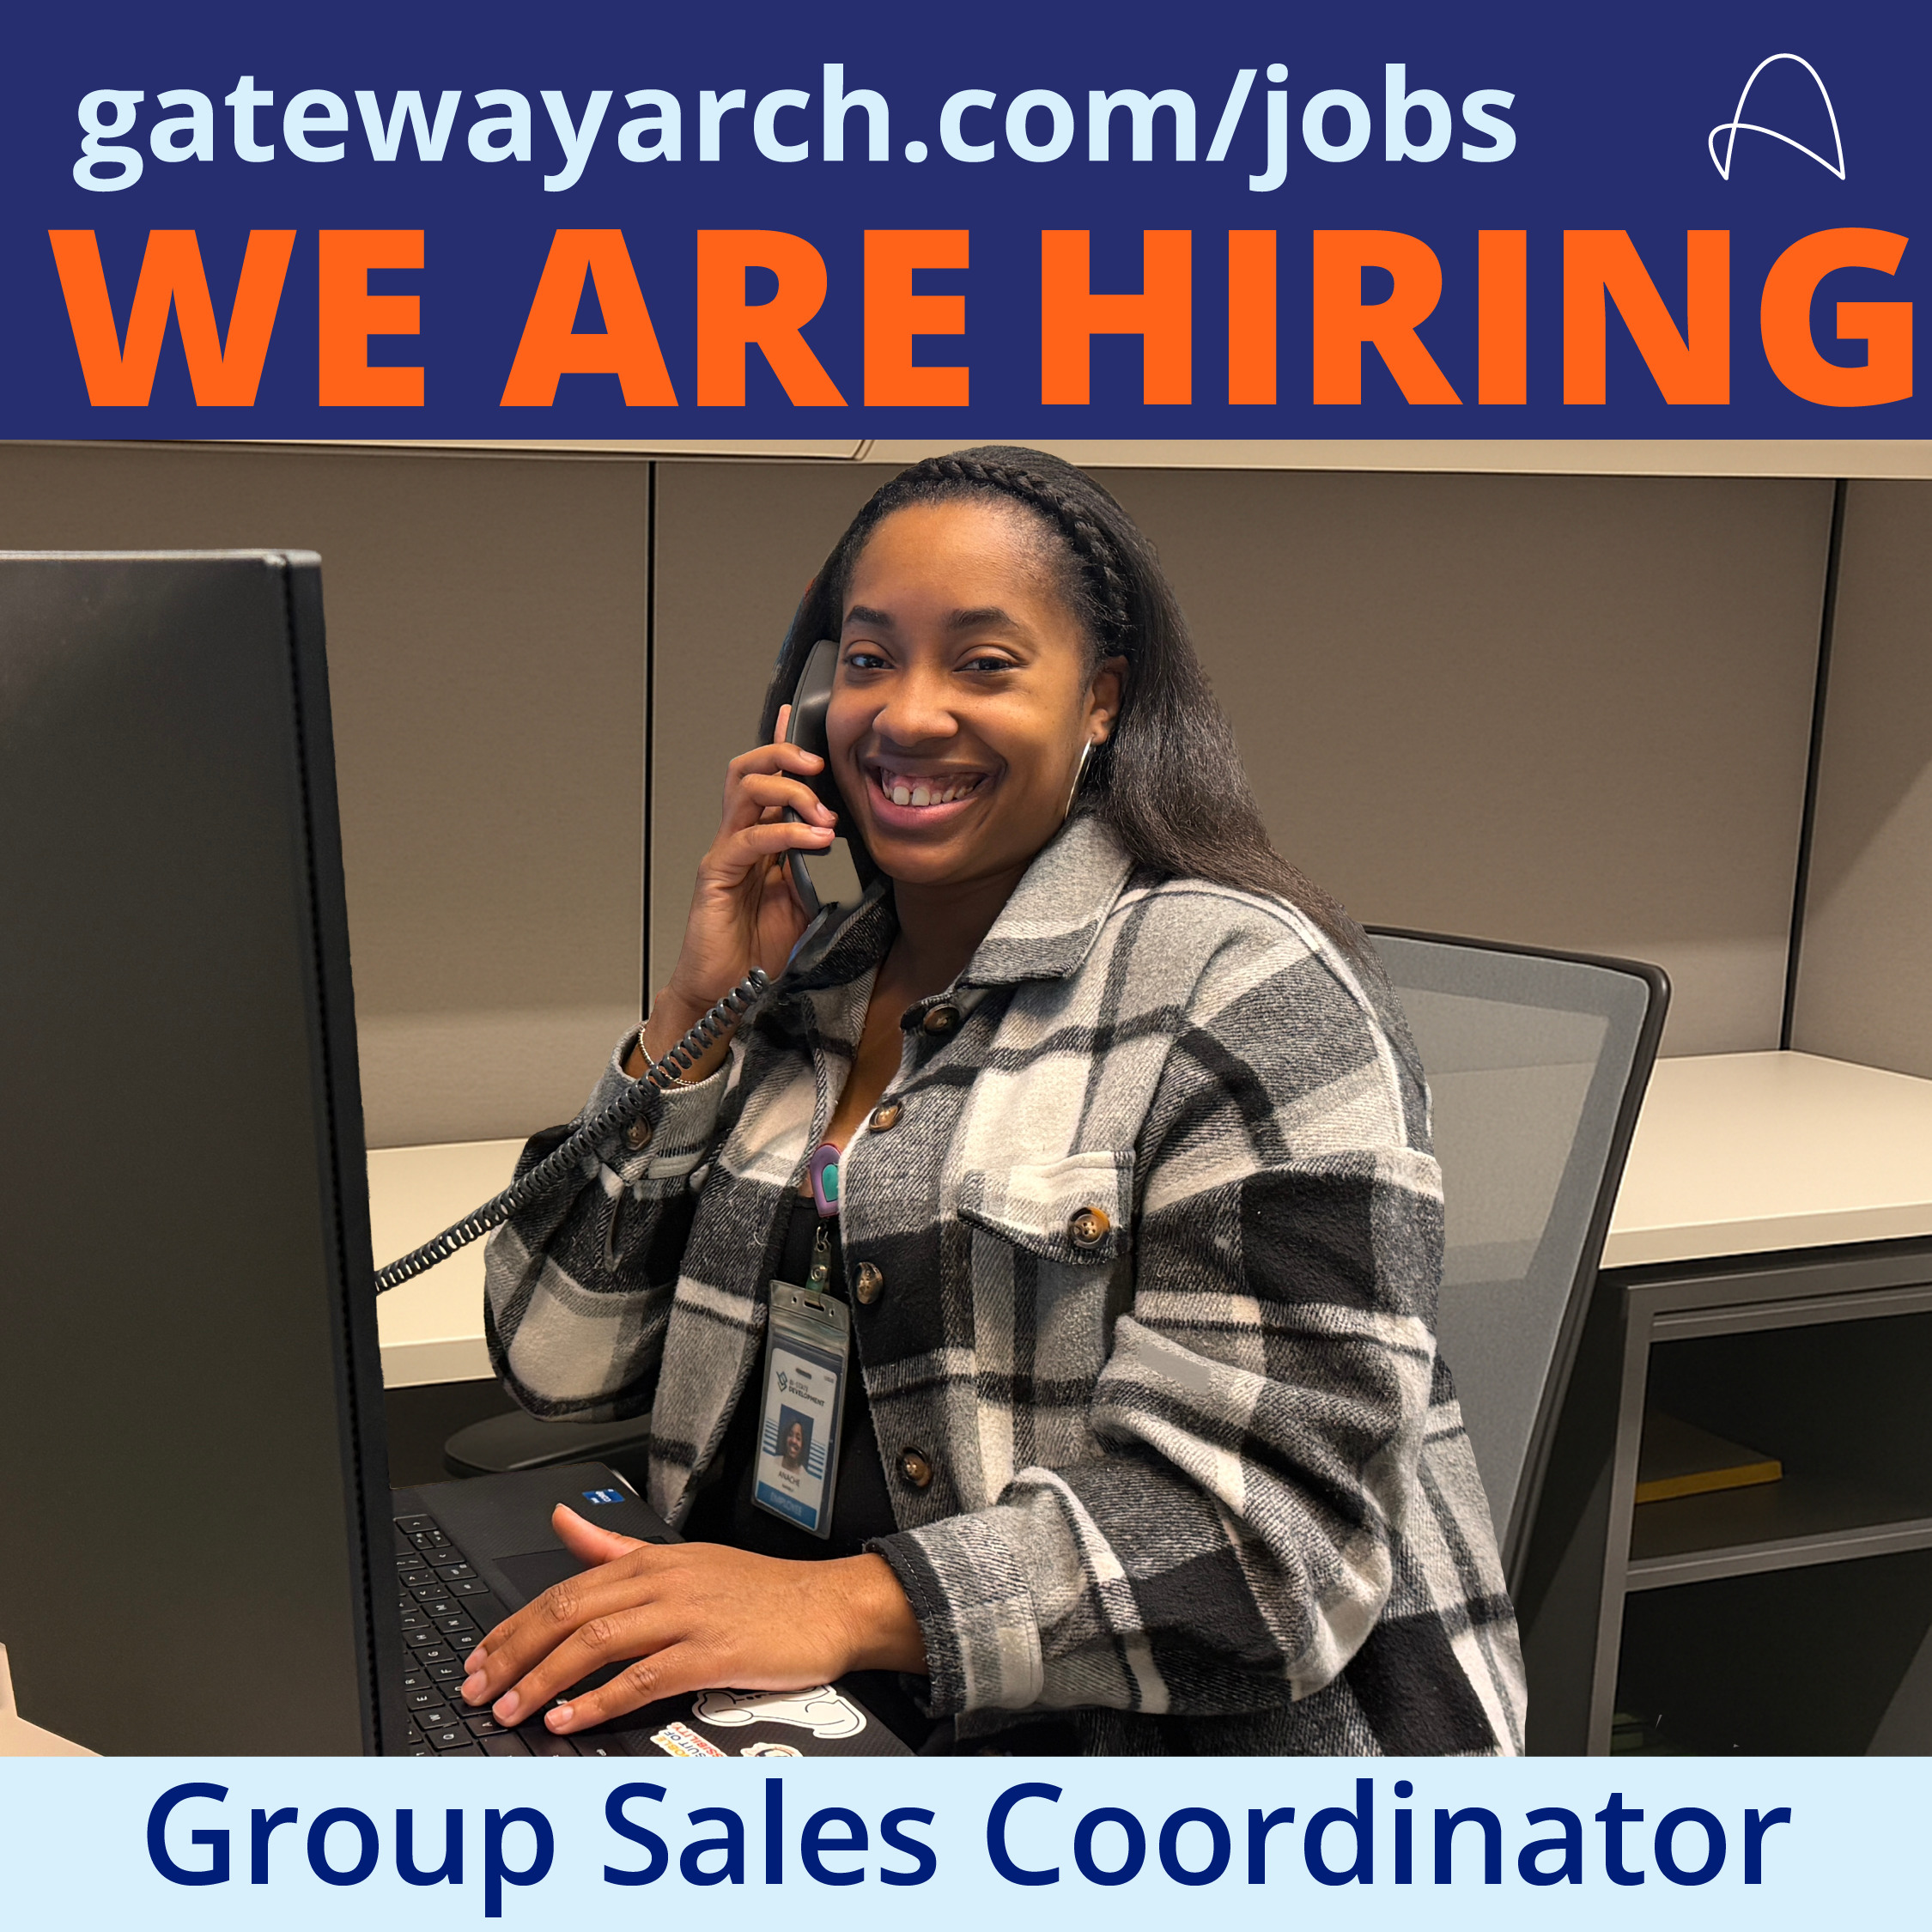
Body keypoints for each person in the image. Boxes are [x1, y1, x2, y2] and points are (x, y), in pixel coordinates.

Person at [465, 446, 1526, 1754]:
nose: (908, 714)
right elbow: (554, 1360)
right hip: (798, 1704)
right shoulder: (804, 990)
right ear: (807, 704)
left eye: (982, 663)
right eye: (869, 659)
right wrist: (693, 1016)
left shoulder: (1240, 990)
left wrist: (841, 1604)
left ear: (1099, 702)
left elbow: (1273, 1546)